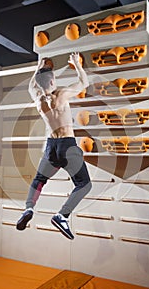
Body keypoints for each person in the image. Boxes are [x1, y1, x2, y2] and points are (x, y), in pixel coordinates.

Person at [16, 52, 92, 239]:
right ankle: (62, 215)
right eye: (54, 79)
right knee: (84, 184)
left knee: (39, 180)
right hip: (67, 145)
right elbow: (84, 83)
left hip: (51, 147)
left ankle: (28, 209)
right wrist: (77, 64)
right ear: (51, 83)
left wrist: (38, 68)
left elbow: (31, 85)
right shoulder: (61, 95)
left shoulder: (38, 100)